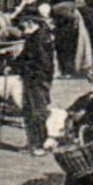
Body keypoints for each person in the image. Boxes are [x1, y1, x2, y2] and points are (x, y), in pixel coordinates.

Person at [16, 12, 56, 154]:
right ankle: (35, 143)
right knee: (32, 111)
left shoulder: (38, 38)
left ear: (30, 22)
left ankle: (38, 144)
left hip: (36, 80)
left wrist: (21, 66)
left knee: (36, 112)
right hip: (36, 79)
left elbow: (41, 63)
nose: (22, 26)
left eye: (23, 23)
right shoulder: (39, 36)